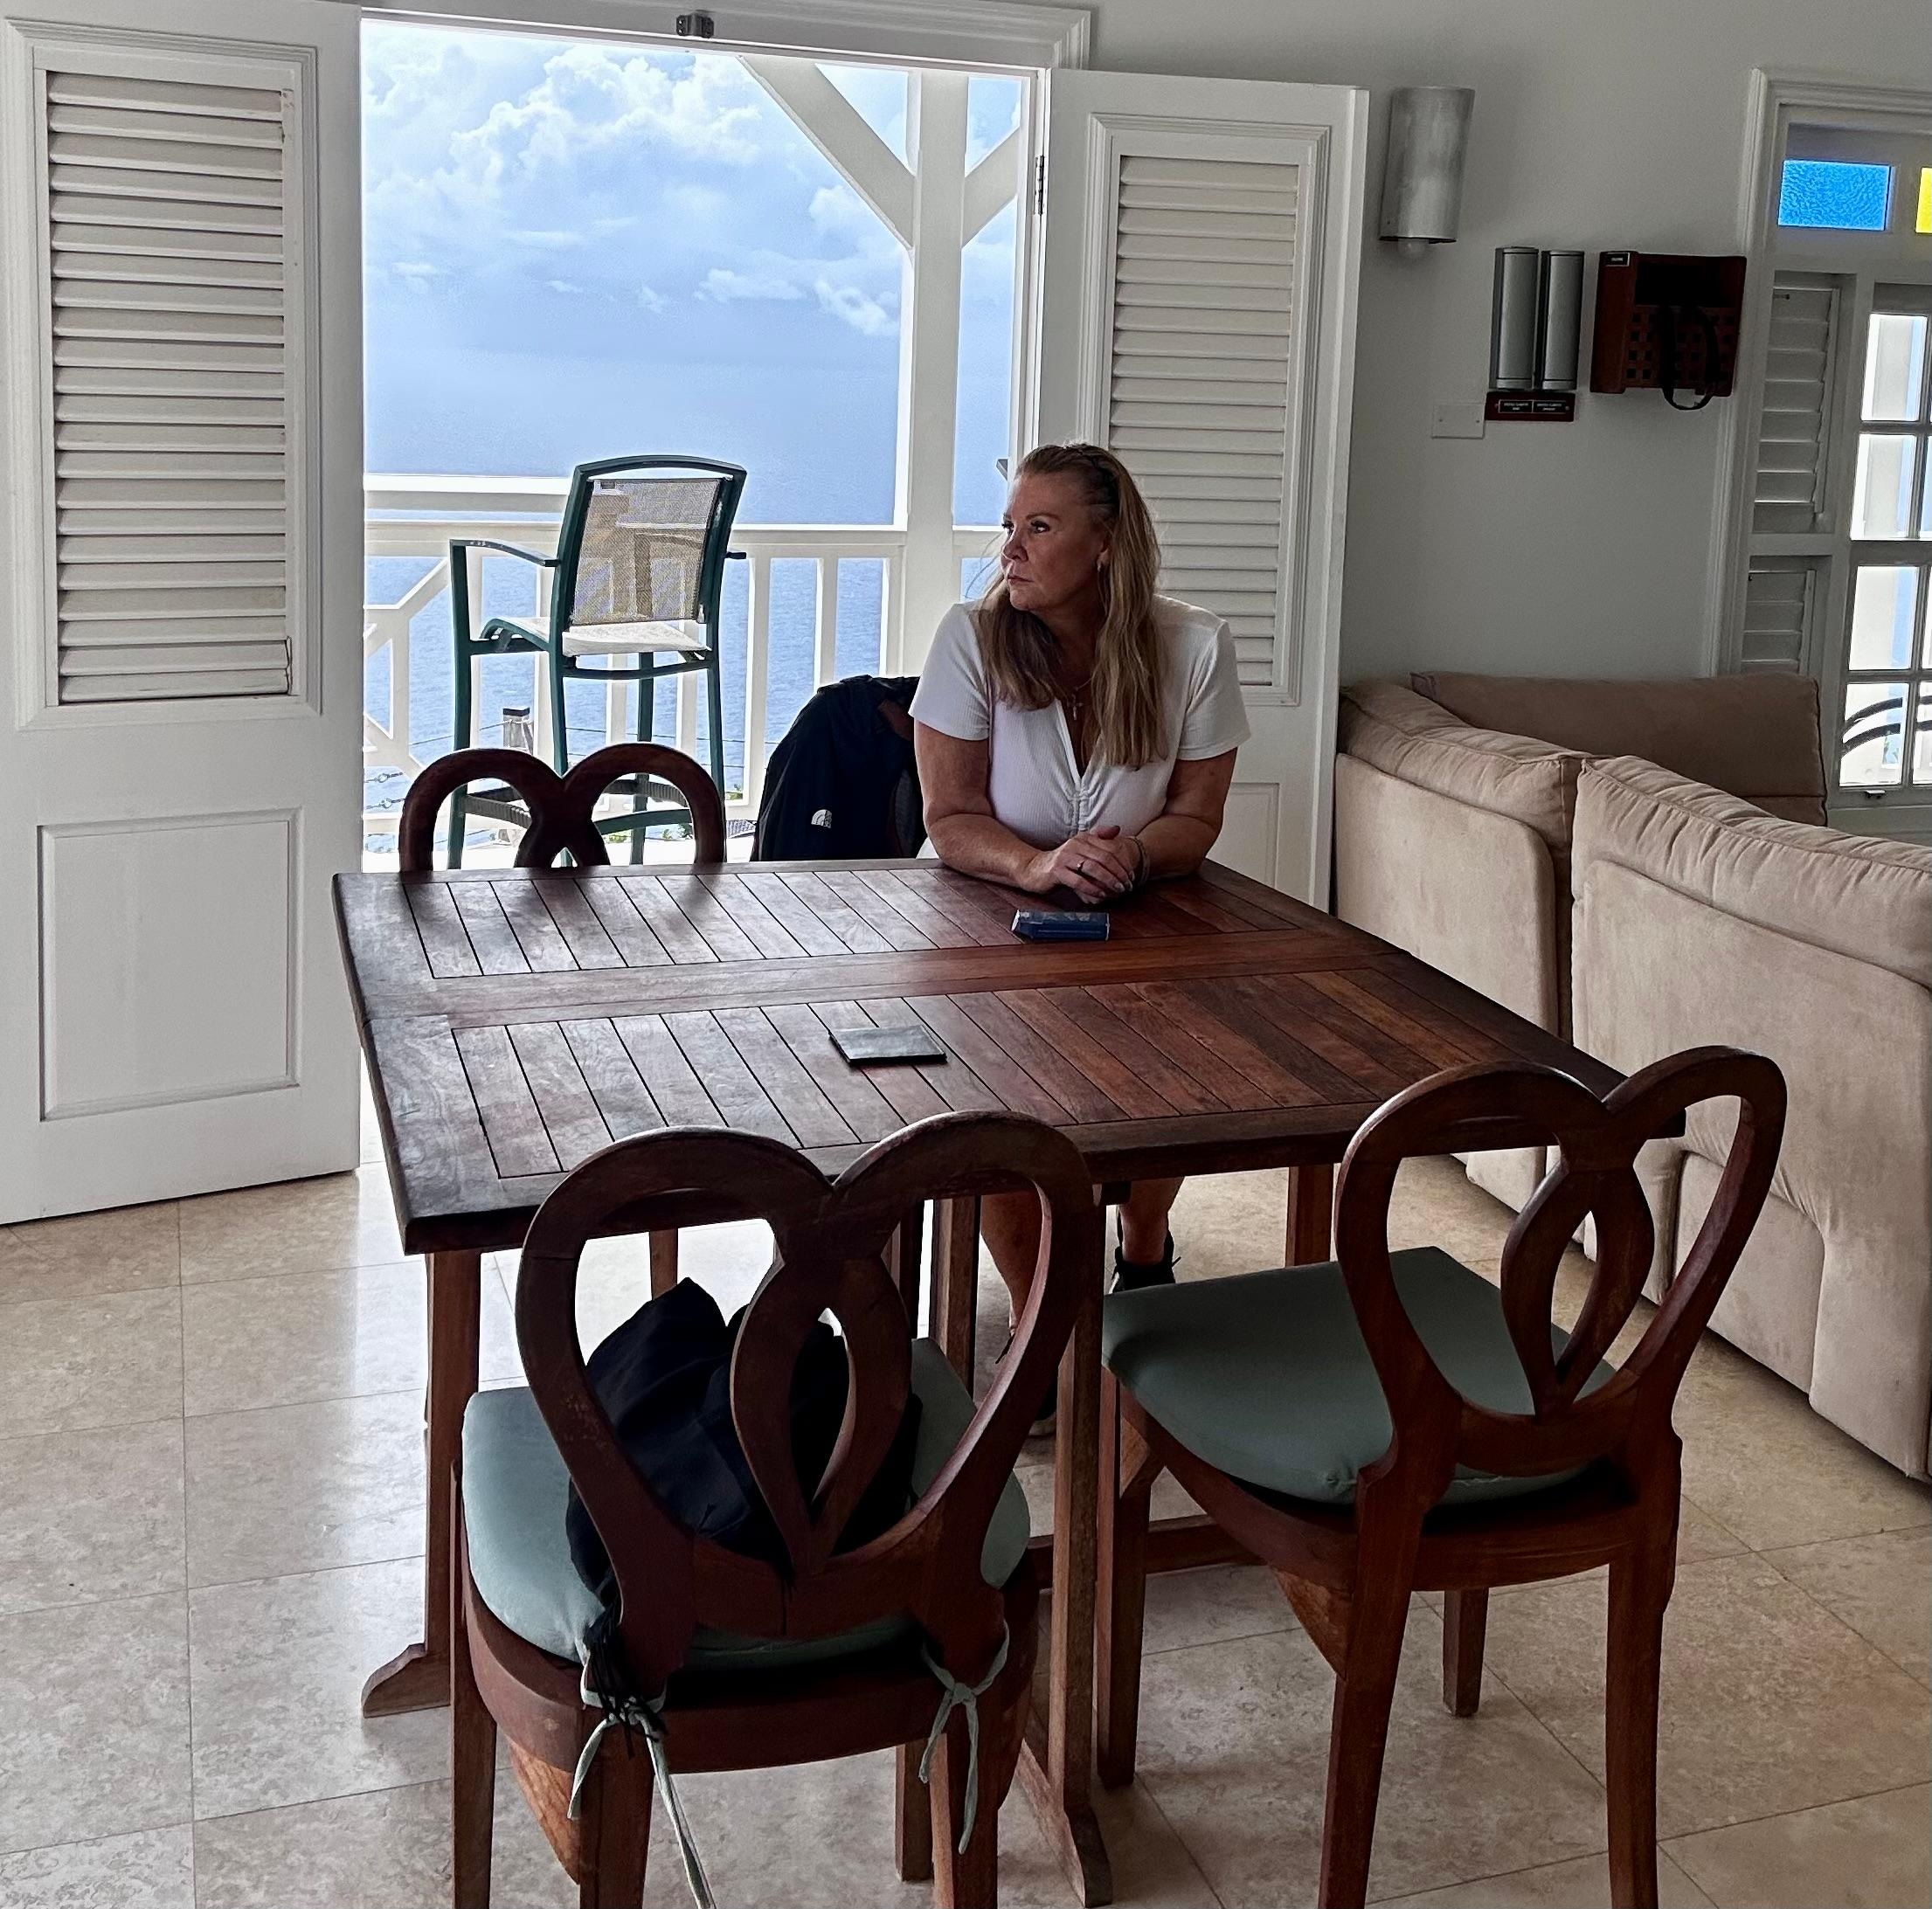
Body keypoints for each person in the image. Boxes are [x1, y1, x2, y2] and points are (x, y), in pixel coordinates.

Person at [911, 441, 1250, 1345]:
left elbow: (1196, 817)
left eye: (1039, 527)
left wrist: (1131, 855)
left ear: (1104, 545)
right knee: (997, 1109)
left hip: (1142, 909)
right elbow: (950, 816)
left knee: (1169, 1075)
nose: (1010, 550)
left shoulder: (1194, 645)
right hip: (986, 908)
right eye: (1009, 526)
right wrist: (1035, 867)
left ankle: (1143, 1244)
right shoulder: (971, 637)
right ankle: (1045, 1327)